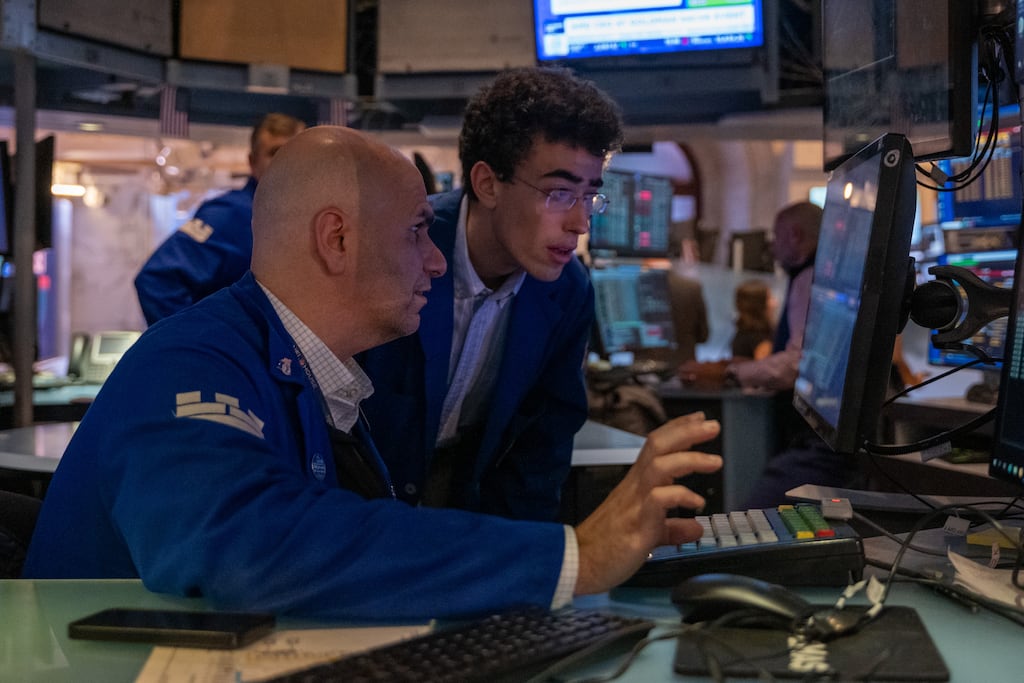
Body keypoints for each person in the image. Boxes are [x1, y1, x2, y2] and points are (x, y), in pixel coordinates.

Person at [22, 126, 723, 622]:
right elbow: (251, 546)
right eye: (418, 230)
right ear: (338, 240)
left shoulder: (322, 378)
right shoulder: (190, 362)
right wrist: (573, 556)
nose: (438, 260)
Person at [357, 67, 625, 521]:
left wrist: (524, 563)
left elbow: (543, 445)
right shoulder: (397, 249)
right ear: (487, 184)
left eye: (589, 196)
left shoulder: (568, 291)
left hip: (465, 505)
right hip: (356, 502)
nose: (580, 223)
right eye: (559, 193)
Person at [134, 112, 306, 325]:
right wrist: (199, 346)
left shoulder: (308, 220)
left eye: (296, 153)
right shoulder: (230, 214)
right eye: (275, 153)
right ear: (253, 163)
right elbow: (157, 281)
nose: (287, 162)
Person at [678, 201, 822, 391]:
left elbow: (797, 363)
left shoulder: (808, 279)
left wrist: (731, 372)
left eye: (777, 237)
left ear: (795, 235)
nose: (773, 248)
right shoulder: (812, 275)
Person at [730, 279, 775, 361]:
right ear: (758, 306)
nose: (775, 303)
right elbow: (765, 370)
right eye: (769, 298)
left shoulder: (743, 331)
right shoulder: (760, 340)